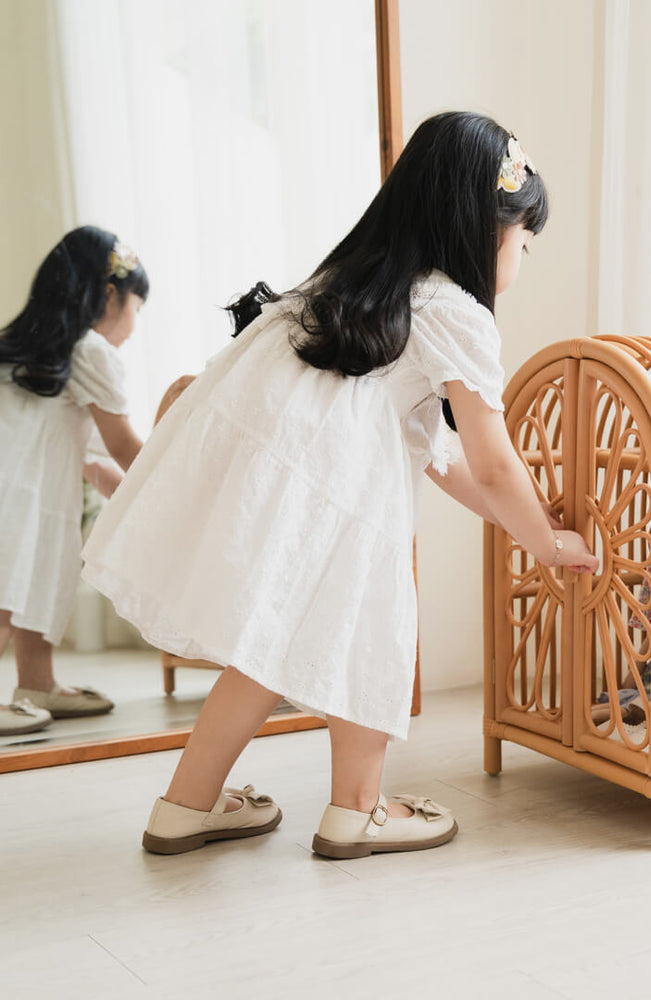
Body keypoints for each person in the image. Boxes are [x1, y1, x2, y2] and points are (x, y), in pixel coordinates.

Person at [81, 111, 600, 859]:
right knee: (367, 633)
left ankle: (185, 806)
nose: (521, 258)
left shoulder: (348, 288)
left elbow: (441, 458)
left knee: (267, 646)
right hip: (341, 497)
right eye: (524, 241)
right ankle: (358, 811)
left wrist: (510, 519)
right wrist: (547, 544)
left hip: (283, 483)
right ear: (482, 230)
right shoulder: (453, 311)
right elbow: (492, 460)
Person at [0, 226, 148, 737]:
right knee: (6, 589)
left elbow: (95, 462)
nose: (134, 325)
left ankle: (36, 683)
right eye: (136, 308)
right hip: (16, 491)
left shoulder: (38, 352)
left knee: (39, 578)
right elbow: (123, 445)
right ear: (109, 295)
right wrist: (168, 485)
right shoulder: (92, 351)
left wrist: (137, 503)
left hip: (33, 489)